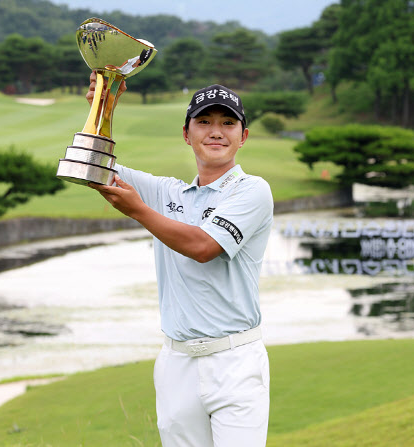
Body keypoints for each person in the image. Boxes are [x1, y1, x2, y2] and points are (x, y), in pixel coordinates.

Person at [86, 71, 274, 446]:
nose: (216, 131)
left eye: (227, 123)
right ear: (187, 134)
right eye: (204, 122)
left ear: (243, 136)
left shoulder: (252, 190)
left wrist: (139, 211)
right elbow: (93, 167)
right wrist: (102, 107)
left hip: (235, 360)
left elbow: (203, 247)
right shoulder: (167, 193)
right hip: (177, 364)